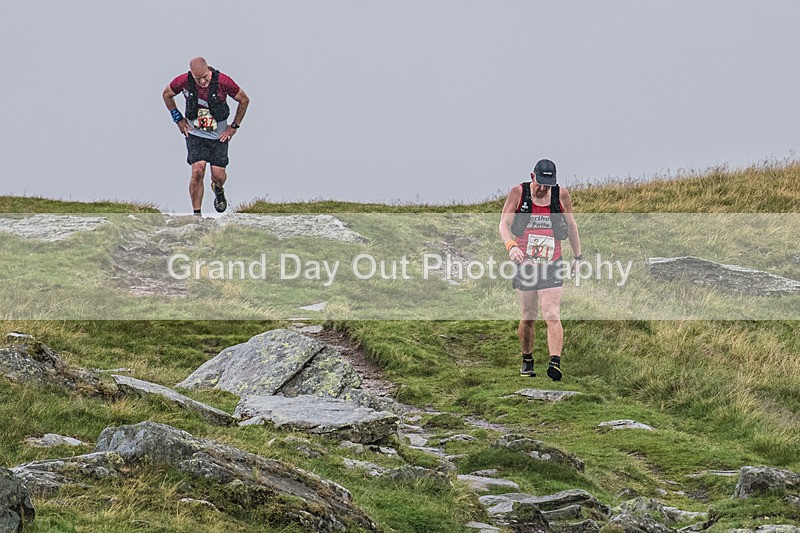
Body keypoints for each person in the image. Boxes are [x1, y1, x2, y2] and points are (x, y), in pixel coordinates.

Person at [499, 159, 582, 381]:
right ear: (532, 176)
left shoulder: (560, 195)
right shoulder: (518, 192)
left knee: (552, 313)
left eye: (548, 184)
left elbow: (572, 225)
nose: (544, 188)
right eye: (541, 183)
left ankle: (555, 363)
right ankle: (527, 360)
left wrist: (578, 257)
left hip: (552, 263)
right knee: (528, 316)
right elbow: (503, 225)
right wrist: (511, 247)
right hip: (525, 264)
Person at [163, 57, 250, 215]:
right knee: (198, 170)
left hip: (219, 136)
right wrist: (178, 120)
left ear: (209, 70)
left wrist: (234, 126)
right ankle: (197, 215)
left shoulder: (223, 82)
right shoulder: (183, 81)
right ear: (191, 75)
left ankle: (218, 188)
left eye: (205, 77)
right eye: (198, 79)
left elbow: (244, 100)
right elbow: (166, 94)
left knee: (218, 175)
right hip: (195, 133)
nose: (202, 82)